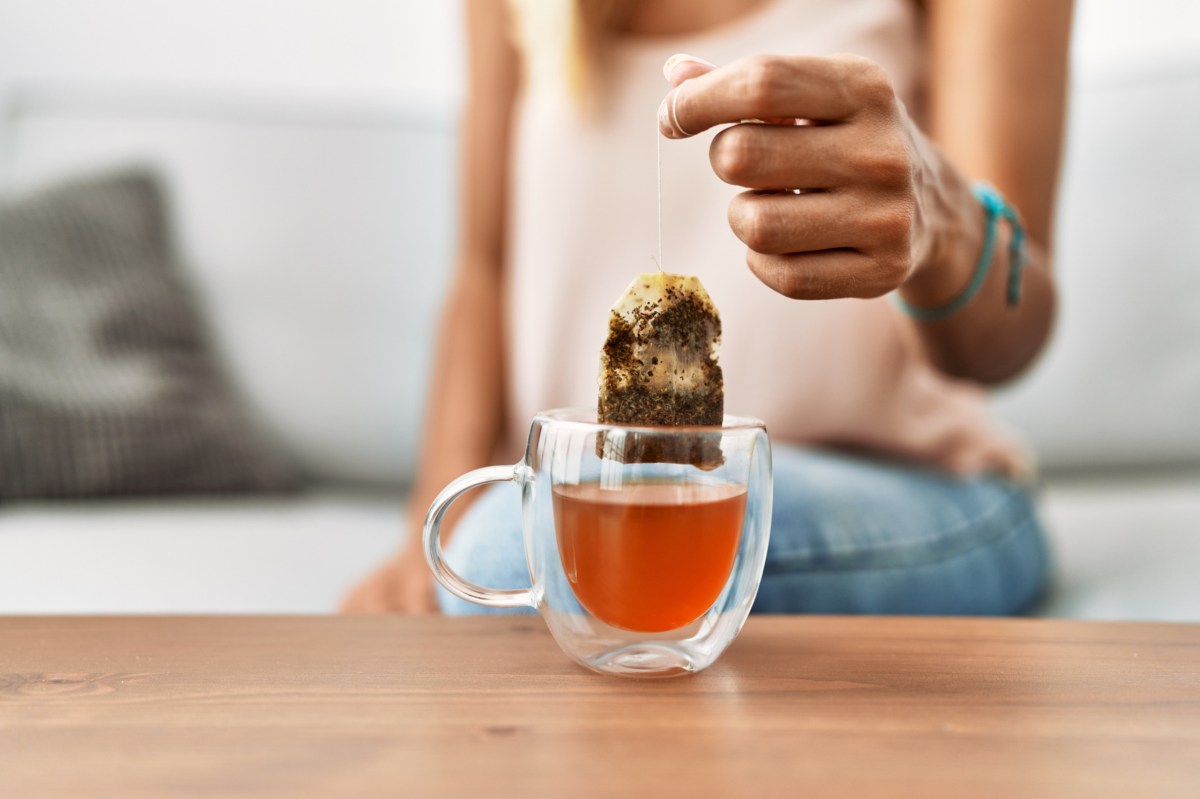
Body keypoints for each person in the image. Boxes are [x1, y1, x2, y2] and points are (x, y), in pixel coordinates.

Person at [342, 0, 1072, 615]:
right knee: (510, 546)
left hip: (917, 486)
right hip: (590, 489)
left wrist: (940, 221)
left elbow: (1011, 338)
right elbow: (484, 267)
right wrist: (429, 535)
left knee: (517, 549)